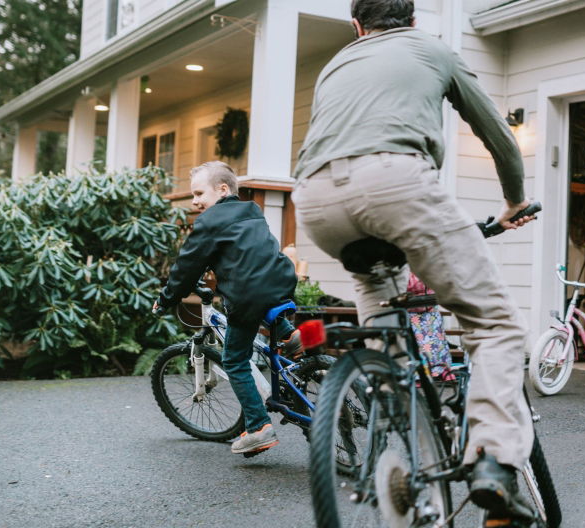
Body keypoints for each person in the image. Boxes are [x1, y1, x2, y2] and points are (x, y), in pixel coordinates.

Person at [292, 0, 536, 520]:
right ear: (412, 20)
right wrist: (513, 200)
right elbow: (499, 137)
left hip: (313, 199)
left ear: (358, 27)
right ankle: (491, 462)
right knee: (494, 325)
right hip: (394, 183)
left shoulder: (339, 63)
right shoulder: (432, 48)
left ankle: (405, 428)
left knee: (384, 327)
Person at [152, 161, 301, 455]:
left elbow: (185, 269)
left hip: (247, 296)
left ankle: (258, 427)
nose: (194, 201)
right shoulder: (251, 211)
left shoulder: (209, 222)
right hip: (280, 282)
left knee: (234, 360)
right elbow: (247, 251)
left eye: (198, 194)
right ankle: (288, 333)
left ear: (222, 190)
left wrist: (167, 299)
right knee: (261, 299)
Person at [406, 272, 454, 381]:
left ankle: (443, 370)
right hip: (412, 310)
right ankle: (419, 375)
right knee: (418, 345)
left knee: (438, 342)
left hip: (430, 306)